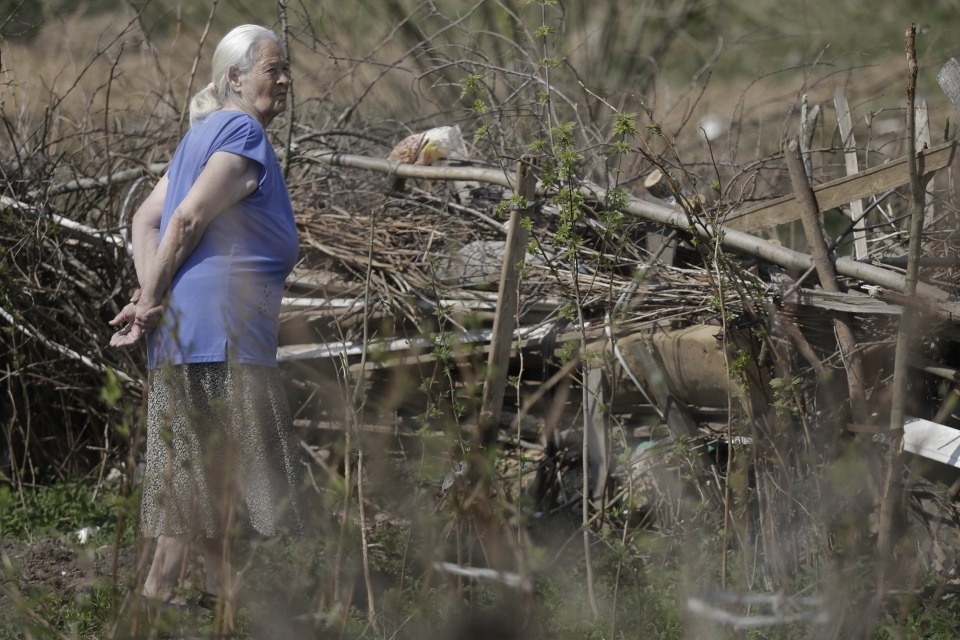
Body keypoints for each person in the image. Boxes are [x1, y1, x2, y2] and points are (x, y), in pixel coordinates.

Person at [109, 24, 303, 607]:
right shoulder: (241, 130)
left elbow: (146, 220)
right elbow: (186, 220)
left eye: (284, 68)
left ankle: (187, 595)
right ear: (236, 79)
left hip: (188, 334)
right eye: (273, 69)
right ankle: (176, 594)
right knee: (225, 471)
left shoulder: (200, 136)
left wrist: (151, 298)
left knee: (198, 468)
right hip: (222, 334)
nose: (285, 79)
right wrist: (148, 302)